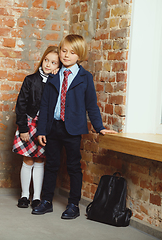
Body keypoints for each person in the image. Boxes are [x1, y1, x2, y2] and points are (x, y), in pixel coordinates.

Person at [33, 34, 116, 218]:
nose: (66, 55)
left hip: (72, 130)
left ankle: (73, 205)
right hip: (53, 127)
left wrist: (99, 127)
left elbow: (91, 105)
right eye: (63, 51)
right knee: (51, 165)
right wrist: (42, 130)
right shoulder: (54, 76)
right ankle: (46, 201)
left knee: (73, 167)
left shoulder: (85, 78)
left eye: (72, 53)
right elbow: (45, 105)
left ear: (80, 56)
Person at [12, 46, 60, 209]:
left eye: (53, 62)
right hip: (29, 124)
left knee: (40, 160)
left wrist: (56, 79)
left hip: (46, 127)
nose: (48, 65)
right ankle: (25, 195)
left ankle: (37, 197)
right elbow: (21, 105)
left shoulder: (57, 82)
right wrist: (23, 128)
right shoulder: (30, 80)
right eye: (46, 60)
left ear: (58, 66)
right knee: (28, 159)